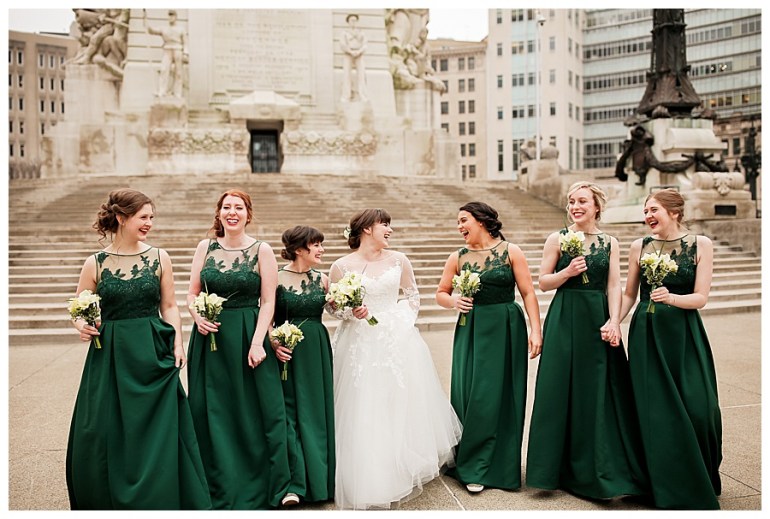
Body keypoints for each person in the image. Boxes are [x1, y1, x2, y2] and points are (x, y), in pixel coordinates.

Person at [66, 188, 211, 510]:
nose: (149, 223)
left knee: (157, 425)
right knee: (104, 426)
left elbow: (170, 305)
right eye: (143, 217)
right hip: (112, 355)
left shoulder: (160, 257)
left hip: (151, 352)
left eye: (151, 217)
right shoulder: (96, 263)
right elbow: (79, 307)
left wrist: (177, 342)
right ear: (121, 217)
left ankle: (161, 493)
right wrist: (82, 325)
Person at [330, 208, 462, 510]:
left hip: (395, 338)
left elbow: (412, 296)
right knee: (361, 403)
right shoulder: (340, 266)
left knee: (398, 400)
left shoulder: (399, 260)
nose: (389, 230)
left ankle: (398, 463)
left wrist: (397, 320)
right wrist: (351, 311)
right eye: (384, 225)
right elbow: (332, 307)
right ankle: (368, 470)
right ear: (366, 229)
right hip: (358, 342)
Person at [525, 182, 648, 499]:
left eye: (581, 201)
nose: (575, 206)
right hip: (565, 318)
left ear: (596, 206)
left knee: (596, 392)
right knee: (558, 389)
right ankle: (553, 470)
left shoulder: (610, 242)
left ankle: (598, 469)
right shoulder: (558, 238)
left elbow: (613, 285)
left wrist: (614, 321)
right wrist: (566, 272)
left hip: (597, 318)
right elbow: (543, 282)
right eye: (571, 201)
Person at [186, 189, 291, 509]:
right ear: (218, 213)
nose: (232, 212)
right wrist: (197, 314)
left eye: (239, 208)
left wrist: (258, 341)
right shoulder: (205, 247)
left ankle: (264, 482)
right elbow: (191, 293)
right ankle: (215, 480)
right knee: (212, 409)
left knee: (253, 409)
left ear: (248, 213)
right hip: (210, 338)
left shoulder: (262, 250)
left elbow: (268, 300)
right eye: (227, 207)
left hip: (248, 334)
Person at [617, 188, 722, 510]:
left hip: (685, 334)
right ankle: (654, 481)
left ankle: (701, 474)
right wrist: (613, 322)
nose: (648, 216)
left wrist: (671, 298)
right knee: (654, 411)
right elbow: (629, 294)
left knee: (700, 409)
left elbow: (701, 297)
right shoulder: (640, 246)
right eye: (646, 211)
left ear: (674, 211)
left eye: (653, 210)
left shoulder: (700, 244)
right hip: (647, 334)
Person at [436, 201, 542, 493]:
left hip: (506, 327)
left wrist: (536, 330)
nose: (459, 227)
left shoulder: (511, 252)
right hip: (470, 330)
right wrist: (454, 301)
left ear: (481, 220)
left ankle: (499, 465)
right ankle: (472, 463)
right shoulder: (457, 256)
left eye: (463, 220)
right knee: (474, 394)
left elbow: (528, 292)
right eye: (458, 222)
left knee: (503, 394)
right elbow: (441, 293)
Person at [271, 226, 335, 506]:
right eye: (316, 245)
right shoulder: (275, 277)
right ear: (299, 250)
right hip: (287, 350)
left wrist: (350, 305)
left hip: (317, 349)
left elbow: (335, 310)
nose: (321, 250)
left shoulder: (322, 279)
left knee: (316, 413)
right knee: (289, 414)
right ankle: (293, 485)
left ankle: (321, 482)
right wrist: (274, 342)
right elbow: (266, 316)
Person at [143, 9, 188, 98]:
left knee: (178, 72)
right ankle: (162, 91)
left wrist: (186, 53)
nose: (170, 17)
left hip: (178, 50)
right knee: (164, 69)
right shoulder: (164, 28)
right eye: (169, 15)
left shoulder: (181, 29)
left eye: (172, 15)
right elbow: (151, 30)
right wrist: (145, 20)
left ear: (176, 17)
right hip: (167, 50)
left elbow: (185, 42)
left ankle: (177, 93)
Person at [339, 14, 368, 102]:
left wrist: (359, 51)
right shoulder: (344, 33)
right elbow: (342, 44)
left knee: (361, 75)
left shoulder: (361, 33)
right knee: (346, 75)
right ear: (348, 22)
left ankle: (363, 96)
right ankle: (346, 96)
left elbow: (365, 44)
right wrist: (350, 51)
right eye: (351, 20)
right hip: (348, 54)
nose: (353, 22)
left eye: (355, 20)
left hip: (359, 54)